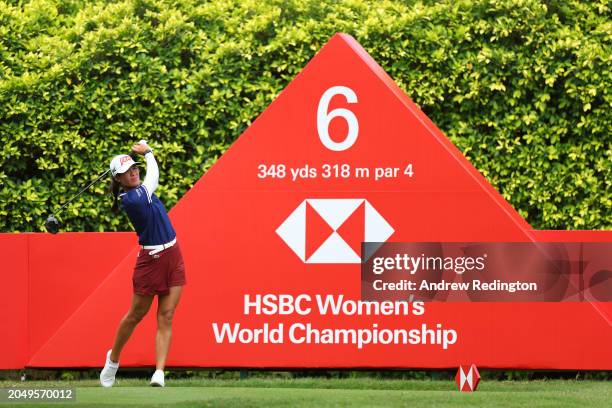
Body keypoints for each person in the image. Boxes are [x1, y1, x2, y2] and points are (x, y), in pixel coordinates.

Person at [99, 140, 186, 388]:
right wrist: (148, 152)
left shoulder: (138, 190)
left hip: (173, 255)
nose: (134, 172)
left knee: (166, 315)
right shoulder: (133, 198)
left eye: (135, 168)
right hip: (151, 261)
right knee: (136, 314)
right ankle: (113, 359)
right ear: (119, 179)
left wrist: (143, 156)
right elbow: (154, 178)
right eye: (128, 172)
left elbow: (148, 178)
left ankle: (159, 373)